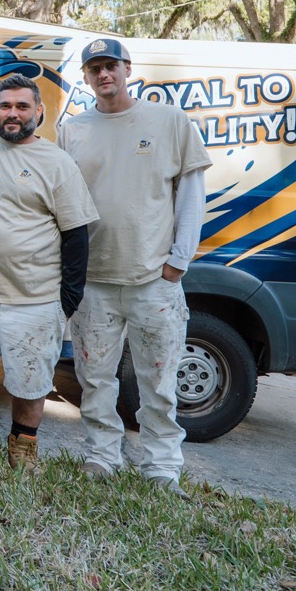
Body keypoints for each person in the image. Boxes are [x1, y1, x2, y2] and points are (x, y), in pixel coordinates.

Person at [59, 38, 212, 497]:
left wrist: (177, 263)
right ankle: (102, 456)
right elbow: (63, 205)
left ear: (127, 68)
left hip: (153, 281)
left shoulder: (168, 122)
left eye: (110, 66)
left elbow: (192, 194)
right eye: (94, 69)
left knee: (159, 380)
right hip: (93, 282)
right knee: (94, 379)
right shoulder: (73, 131)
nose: (103, 75)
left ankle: (162, 467)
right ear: (86, 77)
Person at [0, 73, 98, 469]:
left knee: (32, 378)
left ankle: (22, 451)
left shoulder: (57, 163)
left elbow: (76, 234)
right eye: (5, 106)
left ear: (38, 112)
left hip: (36, 297)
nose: (12, 114)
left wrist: (69, 298)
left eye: (22, 106)